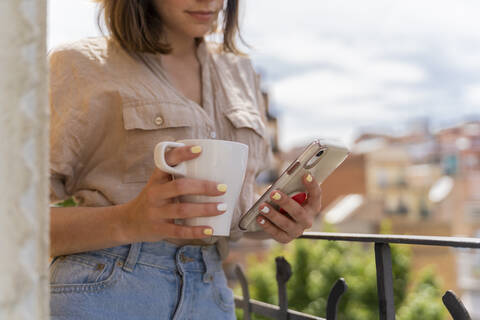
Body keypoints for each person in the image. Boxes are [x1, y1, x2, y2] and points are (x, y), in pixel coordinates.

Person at [48, 0, 322, 319]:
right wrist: (128, 220)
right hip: (105, 292)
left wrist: (280, 217)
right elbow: (14, 224)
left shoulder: (241, 72)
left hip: (211, 292)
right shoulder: (79, 65)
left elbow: (234, 209)